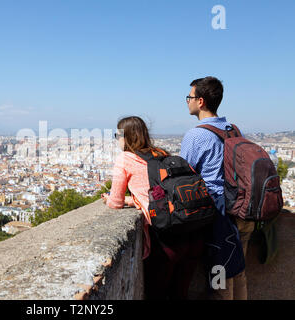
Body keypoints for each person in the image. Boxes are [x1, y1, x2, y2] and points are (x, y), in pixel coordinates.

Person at [101, 116, 204, 300]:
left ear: (126, 137)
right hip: (191, 232)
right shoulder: (161, 153)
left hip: (164, 239)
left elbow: (115, 203)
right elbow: (156, 192)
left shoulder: (125, 158)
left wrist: (108, 199)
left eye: (117, 135)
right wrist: (134, 200)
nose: (116, 139)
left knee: (156, 294)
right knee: (180, 294)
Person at [180, 76, 254, 300]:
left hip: (220, 216)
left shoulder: (196, 135)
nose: (187, 101)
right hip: (243, 210)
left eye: (189, 97)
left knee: (219, 277)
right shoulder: (233, 129)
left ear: (200, 101)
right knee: (238, 271)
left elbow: (182, 177)